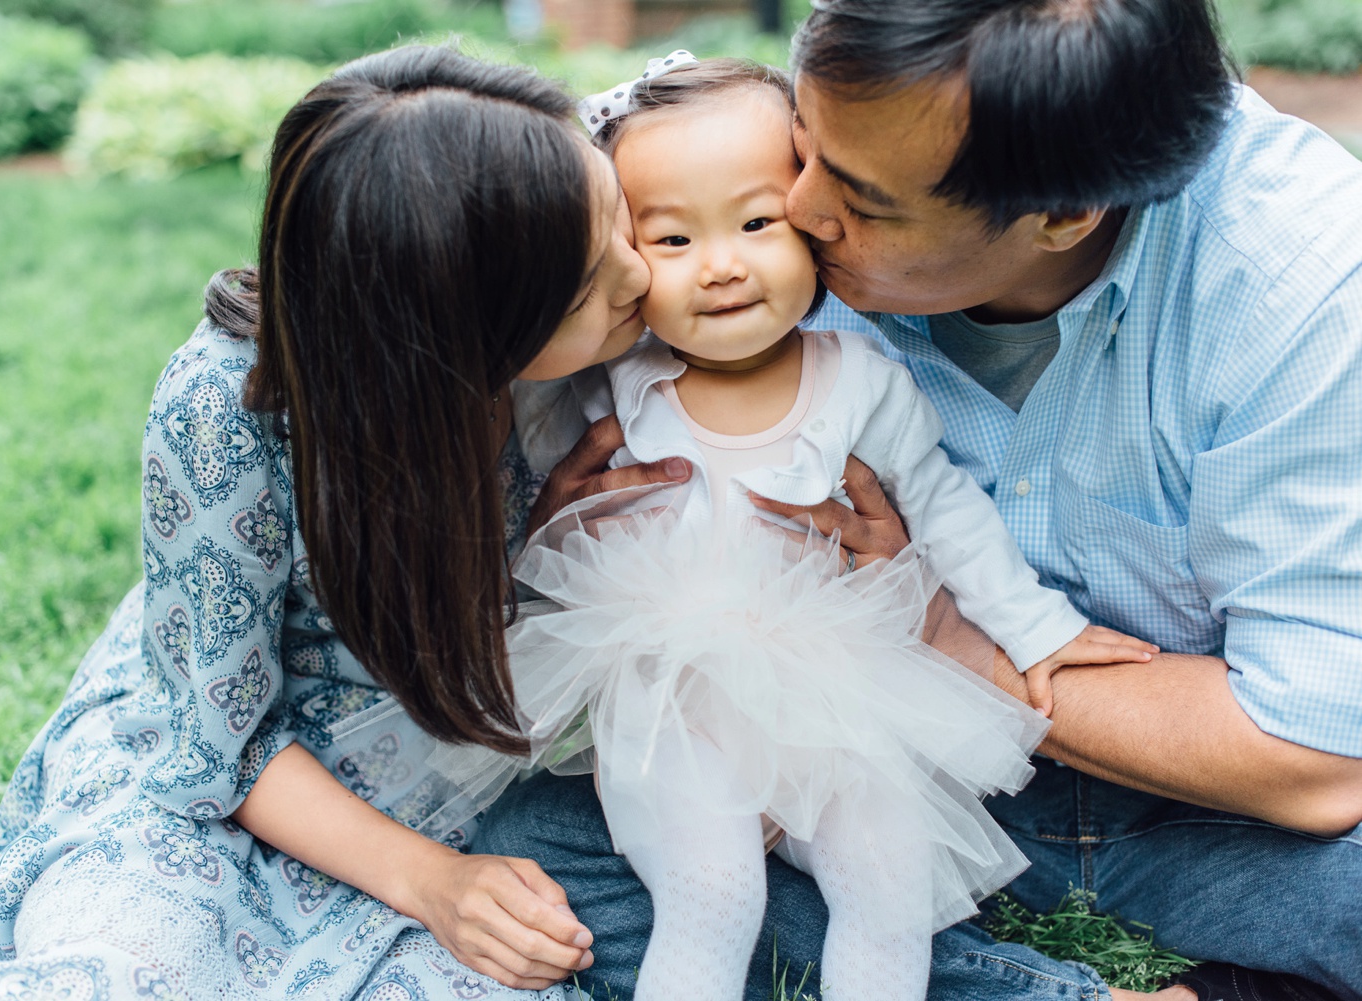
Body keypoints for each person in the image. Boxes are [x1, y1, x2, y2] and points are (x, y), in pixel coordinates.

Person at [475, 2, 1362, 1000]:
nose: (797, 214)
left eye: (859, 200)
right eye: (802, 150)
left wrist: (928, 620)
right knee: (547, 847)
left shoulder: (1300, 284)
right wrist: (570, 530)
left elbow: (1313, 757)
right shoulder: (845, 137)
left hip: (1197, 808)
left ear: (1064, 212)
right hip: (847, 751)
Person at [0, 45, 684, 1001]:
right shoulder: (227, 412)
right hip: (242, 775)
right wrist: (435, 882)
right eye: (586, 284)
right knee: (134, 968)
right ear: (453, 337)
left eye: (625, 221)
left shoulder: (548, 217)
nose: (641, 275)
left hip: (457, 730)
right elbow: (222, 743)